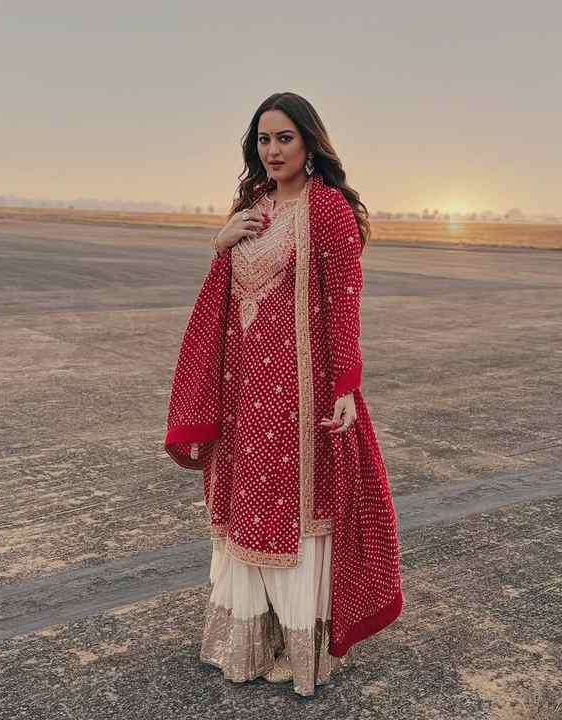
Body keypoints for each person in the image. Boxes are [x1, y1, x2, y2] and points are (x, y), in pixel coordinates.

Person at [164, 92, 403, 697]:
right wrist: (221, 242)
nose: (272, 150)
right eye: (263, 140)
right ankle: (254, 640)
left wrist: (346, 385)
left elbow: (344, 302)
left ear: (309, 142)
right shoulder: (253, 209)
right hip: (242, 390)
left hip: (302, 396)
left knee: (295, 514)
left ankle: (301, 650)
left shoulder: (328, 211)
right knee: (246, 508)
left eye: (284, 138)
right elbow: (223, 301)